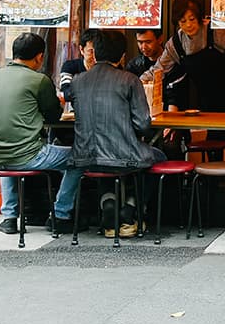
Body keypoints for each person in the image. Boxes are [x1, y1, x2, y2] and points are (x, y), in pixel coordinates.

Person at [0, 32, 83, 235]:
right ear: (39, 57)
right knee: (79, 158)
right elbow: (54, 116)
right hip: (28, 155)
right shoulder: (39, 80)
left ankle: (10, 217)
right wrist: (59, 103)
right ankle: (60, 213)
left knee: (10, 151)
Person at [70, 31, 167, 237]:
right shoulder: (129, 80)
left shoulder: (77, 81)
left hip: (85, 157)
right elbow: (143, 125)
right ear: (122, 56)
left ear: (94, 54)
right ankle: (131, 209)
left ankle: (108, 202)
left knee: (104, 161)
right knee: (159, 157)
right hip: (125, 156)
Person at [148, 0, 225, 112]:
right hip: (208, 101)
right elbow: (159, 69)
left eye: (192, 19)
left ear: (199, 18)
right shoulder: (175, 44)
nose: (188, 25)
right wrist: (137, 82)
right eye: (183, 21)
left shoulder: (215, 32)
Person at [59, 28, 101, 102]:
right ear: (81, 49)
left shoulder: (107, 69)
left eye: (98, 51)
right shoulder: (70, 67)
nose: (95, 57)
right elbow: (66, 92)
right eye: (90, 52)